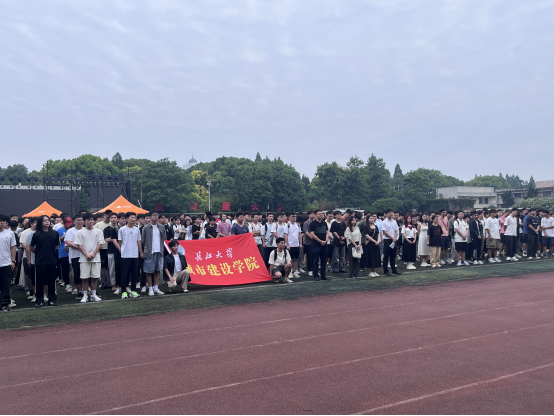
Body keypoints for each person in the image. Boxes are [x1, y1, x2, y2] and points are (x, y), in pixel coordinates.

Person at [29, 215, 59, 308]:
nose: (47, 222)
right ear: (40, 223)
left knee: (51, 281)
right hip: (40, 261)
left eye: (48, 220)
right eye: (44, 220)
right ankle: (39, 300)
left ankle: (52, 299)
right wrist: (39, 253)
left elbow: (56, 246)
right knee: (39, 281)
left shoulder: (54, 233)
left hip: (52, 260)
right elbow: (31, 247)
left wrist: (50, 253)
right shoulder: (36, 234)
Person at [75, 213, 105, 303]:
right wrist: (86, 255)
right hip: (84, 259)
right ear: (84, 221)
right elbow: (79, 245)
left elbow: (100, 243)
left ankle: (93, 295)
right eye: (88, 220)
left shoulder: (98, 231)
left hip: (96, 258)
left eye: (92, 219)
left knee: (94, 277)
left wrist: (93, 254)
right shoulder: (80, 232)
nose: (90, 221)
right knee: (85, 277)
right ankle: (85, 295)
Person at [141, 212, 167, 296]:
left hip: (159, 251)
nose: (156, 216)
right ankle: (150, 288)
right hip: (149, 252)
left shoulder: (161, 227)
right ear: (150, 217)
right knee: (148, 271)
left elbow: (164, 239)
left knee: (157, 270)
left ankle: (156, 287)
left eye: (157, 215)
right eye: (154, 215)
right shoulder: (146, 228)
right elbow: (143, 241)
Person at [117, 212, 142, 299]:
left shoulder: (137, 230)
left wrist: (140, 252)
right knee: (124, 274)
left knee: (134, 273)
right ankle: (124, 291)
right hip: (125, 255)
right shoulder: (122, 229)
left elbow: (138, 242)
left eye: (135, 218)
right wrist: (122, 251)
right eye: (132, 217)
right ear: (127, 219)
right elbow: (120, 242)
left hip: (135, 255)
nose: (133, 219)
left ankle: (133, 290)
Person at [0, 214, 17, 312]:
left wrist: (13, 260)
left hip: (6, 263)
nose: (2, 222)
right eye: (0, 220)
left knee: (6, 285)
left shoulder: (10, 233)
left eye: (4, 221)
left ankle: (5, 304)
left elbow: (13, 247)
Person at [65, 214, 85, 297]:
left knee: (87, 274)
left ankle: (87, 290)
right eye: (78, 220)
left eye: (81, 220)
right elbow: (69, 242)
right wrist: (80, 247)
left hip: (86, 255)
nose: (80, 222)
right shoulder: (70, 231)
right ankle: (79, 291)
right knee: (77, 274)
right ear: (74, 221)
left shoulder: (86, 230)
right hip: (75, 256)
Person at [309, 210, 329, 281]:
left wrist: (326, 240)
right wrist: (320, 241)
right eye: (319, 213)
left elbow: (327, 232)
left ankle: (323, 275)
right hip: (316, 245)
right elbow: (312, 234)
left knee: (324, 260)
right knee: (316, 260)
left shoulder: (324, 223)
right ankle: (316, 275)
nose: (321, 215)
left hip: (324, 245)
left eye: (322, 213)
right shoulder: (312, 224)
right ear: (315, 215)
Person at [103, 213, 121, 291]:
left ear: (117, 219)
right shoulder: (106, 229)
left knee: (121, 268)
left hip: (121, 251)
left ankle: (121, 283)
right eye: (112, 217)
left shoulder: (121, 228)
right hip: (111, 251)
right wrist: (115, 240)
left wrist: (113, 239)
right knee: (112, 268)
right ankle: (113, 284)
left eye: (115, 217)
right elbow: (106, 239)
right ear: (109, 219)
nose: (113, 219)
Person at [94, 212, 111, 289]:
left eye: (109, 217)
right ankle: (103, 281)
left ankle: (109, 281)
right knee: (103, 266)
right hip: (102, 248)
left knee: (110, 265)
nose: (108, 219)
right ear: (104, 216)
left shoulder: (112, 224)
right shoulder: (98, 225)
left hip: (111, 248)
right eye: (107, 217)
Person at [382, 209, 401, 276]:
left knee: (393, 255)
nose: (391, 214)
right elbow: (385, 232)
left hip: (393, 240)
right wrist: (392, 238)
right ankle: (385, 270)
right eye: (389, 212)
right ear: (386, 214)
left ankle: (394, 269)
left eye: (391, 212)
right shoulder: (384, 222)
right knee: (386, 255)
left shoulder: (394, 221)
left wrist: (394, 238)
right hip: (387, 240)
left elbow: (396, 230)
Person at [57, 216, 73, 293]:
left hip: (72, 251)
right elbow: (56, 241)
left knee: (72, 269)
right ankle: (67, 283)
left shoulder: (72, 229)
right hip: (63, 251)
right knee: (64, 268)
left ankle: (72, 283)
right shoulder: (59, 230)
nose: (68, 226)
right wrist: (63, 237)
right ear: (63, 222)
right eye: (67, 224)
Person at [284, 213, 302, 278]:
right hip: (290, 245)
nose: (294, 218)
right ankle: (290, 272)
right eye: (293, 216)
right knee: (290, 259)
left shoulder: (298, 225)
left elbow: (300, 234)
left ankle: (294, 271)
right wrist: (287, 244)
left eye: (295, 216)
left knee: (295, 259)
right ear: (289, 217)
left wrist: (300, 243)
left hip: (296, 244)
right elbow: (285, 235)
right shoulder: (287, 225)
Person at [303, 211, 315, 276]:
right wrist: (312, 237)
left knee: (314, 256)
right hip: (309, 242)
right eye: (312, 214)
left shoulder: (315, 222)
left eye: (314, 214)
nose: (313, 215)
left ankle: (314, 269)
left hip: (315, 242)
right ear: (308, 215)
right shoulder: (306, 223)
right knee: (309, 256)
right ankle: (310, 270)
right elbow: (306, 232)